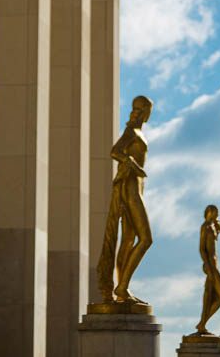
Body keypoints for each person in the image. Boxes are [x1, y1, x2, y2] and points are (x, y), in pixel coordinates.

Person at [96, 95, 154, 305]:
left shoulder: (138, 132)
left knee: (129, 239)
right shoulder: (131, 132)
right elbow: (116, 151)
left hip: (137, 188)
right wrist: (133, 165)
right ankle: (122, 286)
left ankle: (123, 289)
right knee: (146, 239)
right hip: (130, 189)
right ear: (145, 111)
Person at [193, 204, 220, 334]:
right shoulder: (205, 226)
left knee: (214, 295)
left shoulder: (212, 226)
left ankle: (202, 323)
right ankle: (202, 323)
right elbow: (202, 248)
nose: (215, 214)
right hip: (210, 265)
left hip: (215, 263)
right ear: (208, 212)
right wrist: (207, 265)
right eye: (213, 212)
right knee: (217, 295)